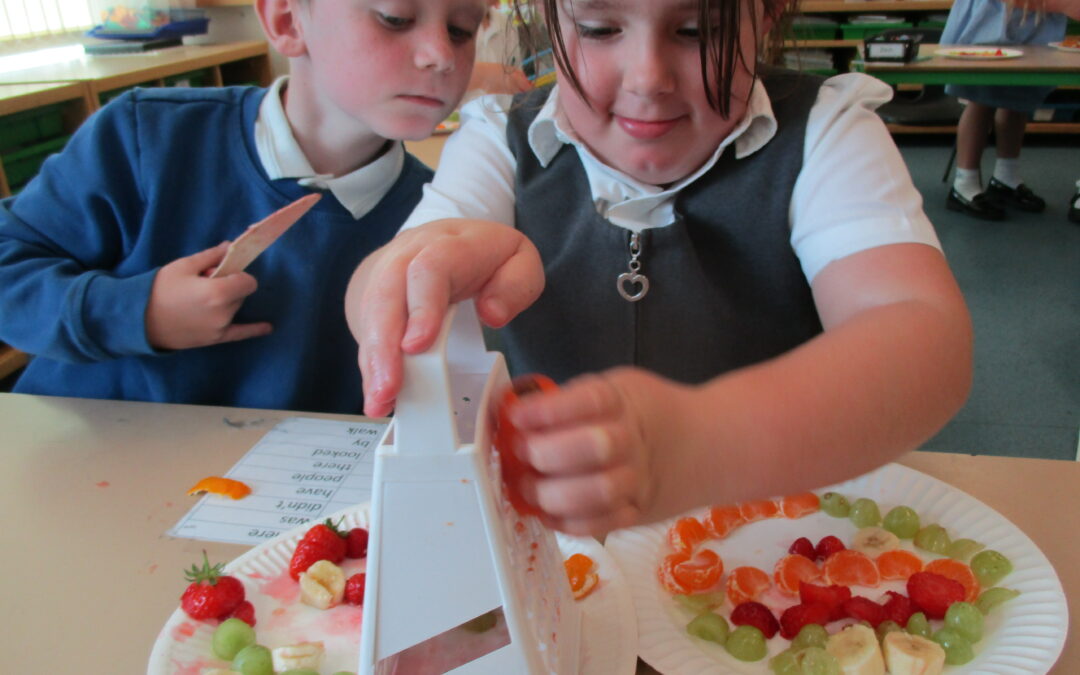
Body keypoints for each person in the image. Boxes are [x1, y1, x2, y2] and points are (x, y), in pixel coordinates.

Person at [346, 0, 973, 537]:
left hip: (772, 539)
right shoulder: (496, 139)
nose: (647, 78)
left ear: (770, 13)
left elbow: (922, 335)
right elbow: (391, 277)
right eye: (598, 28)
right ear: (548, 16)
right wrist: (402, 279)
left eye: (698, 31)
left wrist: (705, 443)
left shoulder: (826, 131)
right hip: (563, 555)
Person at [0, 0, 490, 412]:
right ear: (286, 21)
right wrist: (138, 313)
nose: (440, 55)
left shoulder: (439, 225)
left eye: (461, 29)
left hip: (276, 505)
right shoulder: (146, 138)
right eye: (395, 18)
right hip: (80, 470)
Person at [942, 0, 1070, 220]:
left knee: (1017, 96)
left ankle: (1006, 178)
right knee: (981, 97)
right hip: (992, 18)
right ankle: (965, 184)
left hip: (1030, 20)